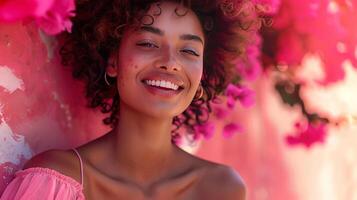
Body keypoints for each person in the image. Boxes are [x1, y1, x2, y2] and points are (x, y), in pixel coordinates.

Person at [1, 0, 261, 199]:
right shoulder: (55, 181)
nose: (170, 62)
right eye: (148, 43)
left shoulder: (221, 189)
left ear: (203, 73)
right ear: (113, 61)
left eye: (189, 51)